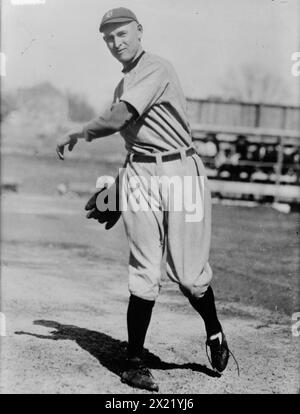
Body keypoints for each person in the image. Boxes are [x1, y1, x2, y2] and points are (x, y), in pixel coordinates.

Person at [56, 7, 233, 392]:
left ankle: (214, 329)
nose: (115, 43)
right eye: (108, 38)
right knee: (144, 268)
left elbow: (119, 117)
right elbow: (133, 140)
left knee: (188, 275)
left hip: (180, 170)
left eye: (122, 34)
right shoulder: (124, 83)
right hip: (139, 171)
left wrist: (81, 132)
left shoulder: (155, 68)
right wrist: (120, 187)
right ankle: (134, 362)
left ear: (139, 31)